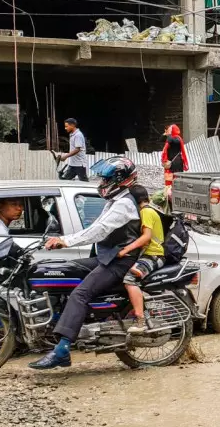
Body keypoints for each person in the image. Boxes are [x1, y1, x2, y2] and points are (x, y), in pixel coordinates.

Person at [28, 157, 142, 369]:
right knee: (67, 270)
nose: (102, 183)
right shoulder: (114, 201)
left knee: (80, 294)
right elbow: (94, 228)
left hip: (120, 262)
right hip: (106, 257)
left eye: (106, 179)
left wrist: (66, 241)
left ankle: (62, 350)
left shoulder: (124, 205)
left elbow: (98, 231)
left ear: (121, 180)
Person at [121, 185, 165, 335]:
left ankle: (140, 321)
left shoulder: (146, 212)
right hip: (149, 254)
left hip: (153, 255)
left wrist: (125, 250)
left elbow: (146, 237)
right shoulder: (150, 210)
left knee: (130, 279)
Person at [160, 124, 188, 196]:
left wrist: (167, 133)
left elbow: (167, 142)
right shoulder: (178, 138)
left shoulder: (173, 138)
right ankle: (176, 194)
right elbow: (161, 139)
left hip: (172, 163)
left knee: (171, 182)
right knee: (176, 180)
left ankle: (170, 196)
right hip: (177, 162)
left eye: (169, 129)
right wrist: (166, 134)